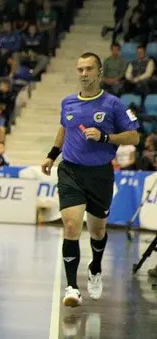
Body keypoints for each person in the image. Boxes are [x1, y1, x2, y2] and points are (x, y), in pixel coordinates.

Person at [41, 52, 140, 307]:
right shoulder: (68, 103)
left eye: (88, 69)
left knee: (98, 231)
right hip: (71, 171)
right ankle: (72, 287)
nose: (83, 74)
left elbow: (133, 137)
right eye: (80, 69)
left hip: (100, 175)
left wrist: (106, 137)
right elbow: (65, 127)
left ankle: (95, 268)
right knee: (72, 226)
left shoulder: (114, 104)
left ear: (99, 72)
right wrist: (52, 155)